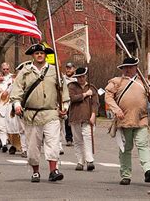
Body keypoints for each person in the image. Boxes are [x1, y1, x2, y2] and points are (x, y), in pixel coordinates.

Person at [10, 43, 70, 183]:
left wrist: (65, 107)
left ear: (45, 55)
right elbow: (17, 90)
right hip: (32, 115)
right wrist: (17, 104)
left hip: (50, 113)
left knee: (53, 143)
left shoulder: (55, 71)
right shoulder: (25, 71)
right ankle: (35, 171)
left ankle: (53, 170)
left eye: (42, 53)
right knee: (33, 146)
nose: (39, 55)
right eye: (37, 53)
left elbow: (63, 91)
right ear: (33, 55)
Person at [105, 57, 150, 185]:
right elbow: (108, 97)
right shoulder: (116, 82)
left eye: (131, 67)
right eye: (126, 67)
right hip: (124, 119)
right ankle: (126, 175)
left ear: (136, 68)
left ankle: (148, 170)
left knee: (143, 144)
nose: (128, 69)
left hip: (141, 118)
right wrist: (116, 109)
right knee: (126, 148)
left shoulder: (144, 82)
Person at [68, 67, 98, 171]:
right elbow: (71, 98)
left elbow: (95, 103)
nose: (81, 79)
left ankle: (89, 160)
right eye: (79, 77)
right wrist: (85, 94)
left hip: (88, 117)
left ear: (85, 76)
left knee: (88, 138)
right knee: (77, 140)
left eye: (82, 76)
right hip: (75, 116)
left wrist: (93, 114)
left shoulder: (92, 87)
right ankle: (80, 161)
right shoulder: (71, 87)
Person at [63, 62, 76, 147]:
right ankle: (69, 139)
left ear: (74, 69)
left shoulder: (77, 79)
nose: (68, 70)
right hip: (66, 103)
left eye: (70, 68)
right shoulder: (63, 79)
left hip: (75, 103)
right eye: (67, 68)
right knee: (67, 121)